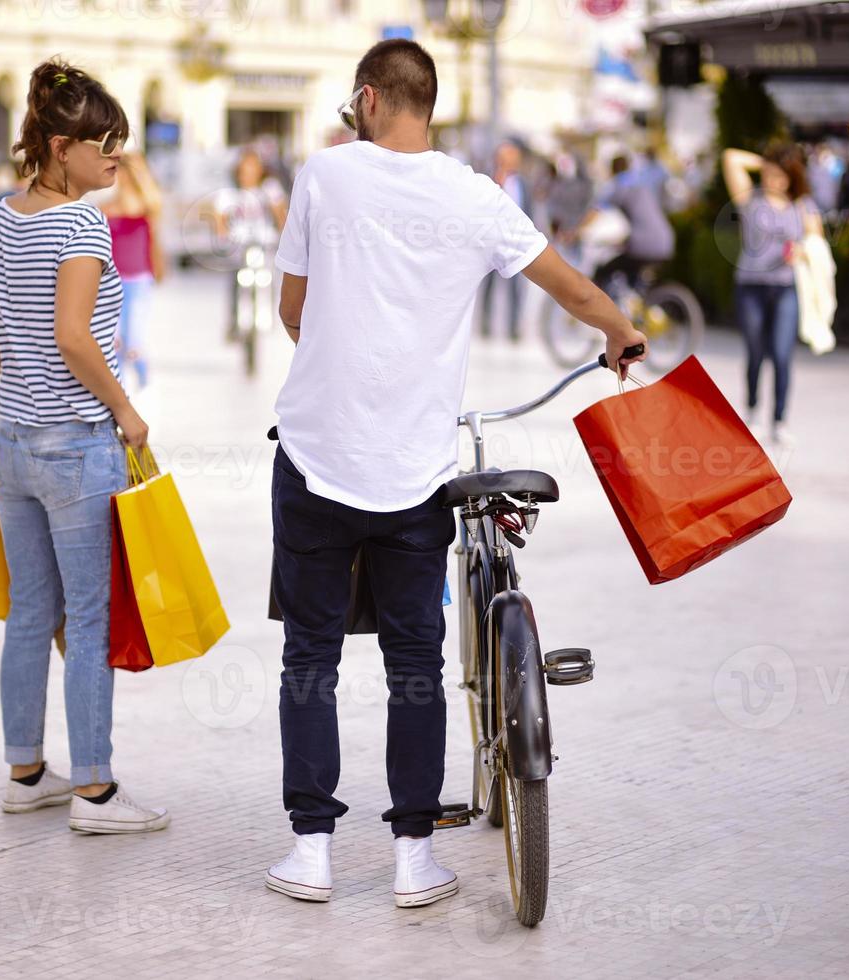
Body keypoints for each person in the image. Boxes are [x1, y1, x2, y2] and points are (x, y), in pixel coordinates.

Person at [266, 38, 646, 909]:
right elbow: (573, 291)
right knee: (415, 663)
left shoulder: (324, 177)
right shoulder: (476, 196)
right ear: (426, 105)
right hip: (415, 472)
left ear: (365, 99)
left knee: (310, 657)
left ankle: (313, 853)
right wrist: (619, 333)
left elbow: (293, 309)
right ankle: (412, 859)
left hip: (317, 457)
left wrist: (339, 354)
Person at [0, 59, 169, 835]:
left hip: (11, 447)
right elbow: (75, 335)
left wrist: (21, 369)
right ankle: (97, 794)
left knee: (30, 614)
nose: (115, 160)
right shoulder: (80, 224)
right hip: (77, 446)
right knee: (90, 618)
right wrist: (126, 411)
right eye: (105, 145)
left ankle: (26, 772)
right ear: (62, 145)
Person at [722, 142, 824, 447]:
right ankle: (752, 411)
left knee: (781, 355)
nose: (773, 180)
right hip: (750, 286)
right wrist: (768, 161)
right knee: (755, 353)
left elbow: (817, 242)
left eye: (781, 175)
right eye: (769, 174)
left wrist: (802, 251)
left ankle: (779, 420)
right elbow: (731, 157)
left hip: (785, 288)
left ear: (792, 177)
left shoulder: (802, 204)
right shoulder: (749, 199)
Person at [103, 152, 165, 389]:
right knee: (115, 340)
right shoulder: (106, 208)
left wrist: (159, 268)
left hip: (139, 280)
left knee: (134, 341)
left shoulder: (148, 206)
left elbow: (155, 241)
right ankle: (121, 390)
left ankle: (144, 384)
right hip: (111, 281)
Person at [214, 148, 287, 339]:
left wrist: (285, 234)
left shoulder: (269, 188)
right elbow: (219, 217)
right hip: (240, 244)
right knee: (235, 279)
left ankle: (268, 313)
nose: (249, 172)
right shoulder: (230, 192)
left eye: (253, 167)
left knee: (268, 277)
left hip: (264, 242)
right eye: (245, 167)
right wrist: (223, 235)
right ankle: (234, 320)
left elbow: (281, 214)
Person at [579, 153, 675, 295]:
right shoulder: (643, 183)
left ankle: (608, 308)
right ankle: (637, 303)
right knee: (632, 276)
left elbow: (596, 211)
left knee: (604, 272)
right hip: (667, 241)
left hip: (644, 244)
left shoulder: (618, 185)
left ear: (612, 170)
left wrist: (577, 231)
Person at [477, 140, 530, 341]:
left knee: (516, 289)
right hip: (491, 242)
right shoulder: (488, 179)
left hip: (515, 243)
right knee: (489, 286)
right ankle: (486, 325)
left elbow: (528, 209)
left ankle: (514, 327)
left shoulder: (523, 183)